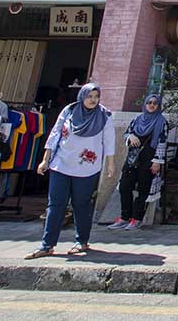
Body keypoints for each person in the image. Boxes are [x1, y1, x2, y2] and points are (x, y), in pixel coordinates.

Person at [26, 83, 117, 259]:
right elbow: (55, 134)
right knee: (55, 205)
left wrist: (111, 164)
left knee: (81, 205)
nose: (92, 100)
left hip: (87, 168)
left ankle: (82, 241)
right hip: (61, 164)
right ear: (82, 95)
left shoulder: (104, 115)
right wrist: (46, 159)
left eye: (96, 97)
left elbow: (110, 141)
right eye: (89, 96)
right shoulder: (69, 111)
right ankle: (47, 245)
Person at [108, 93, 170, 232]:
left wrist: (157, 162)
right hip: (133, 157)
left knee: (144, 189)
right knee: (125, 186)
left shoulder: (161, 122)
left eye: (155, 103)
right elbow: (126, 133)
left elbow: (162, 142)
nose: (152, 105)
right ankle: (125, 217)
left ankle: (136, 219)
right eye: (149, 102)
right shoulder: (137, 119)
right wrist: (130, 136)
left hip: (149, 158)